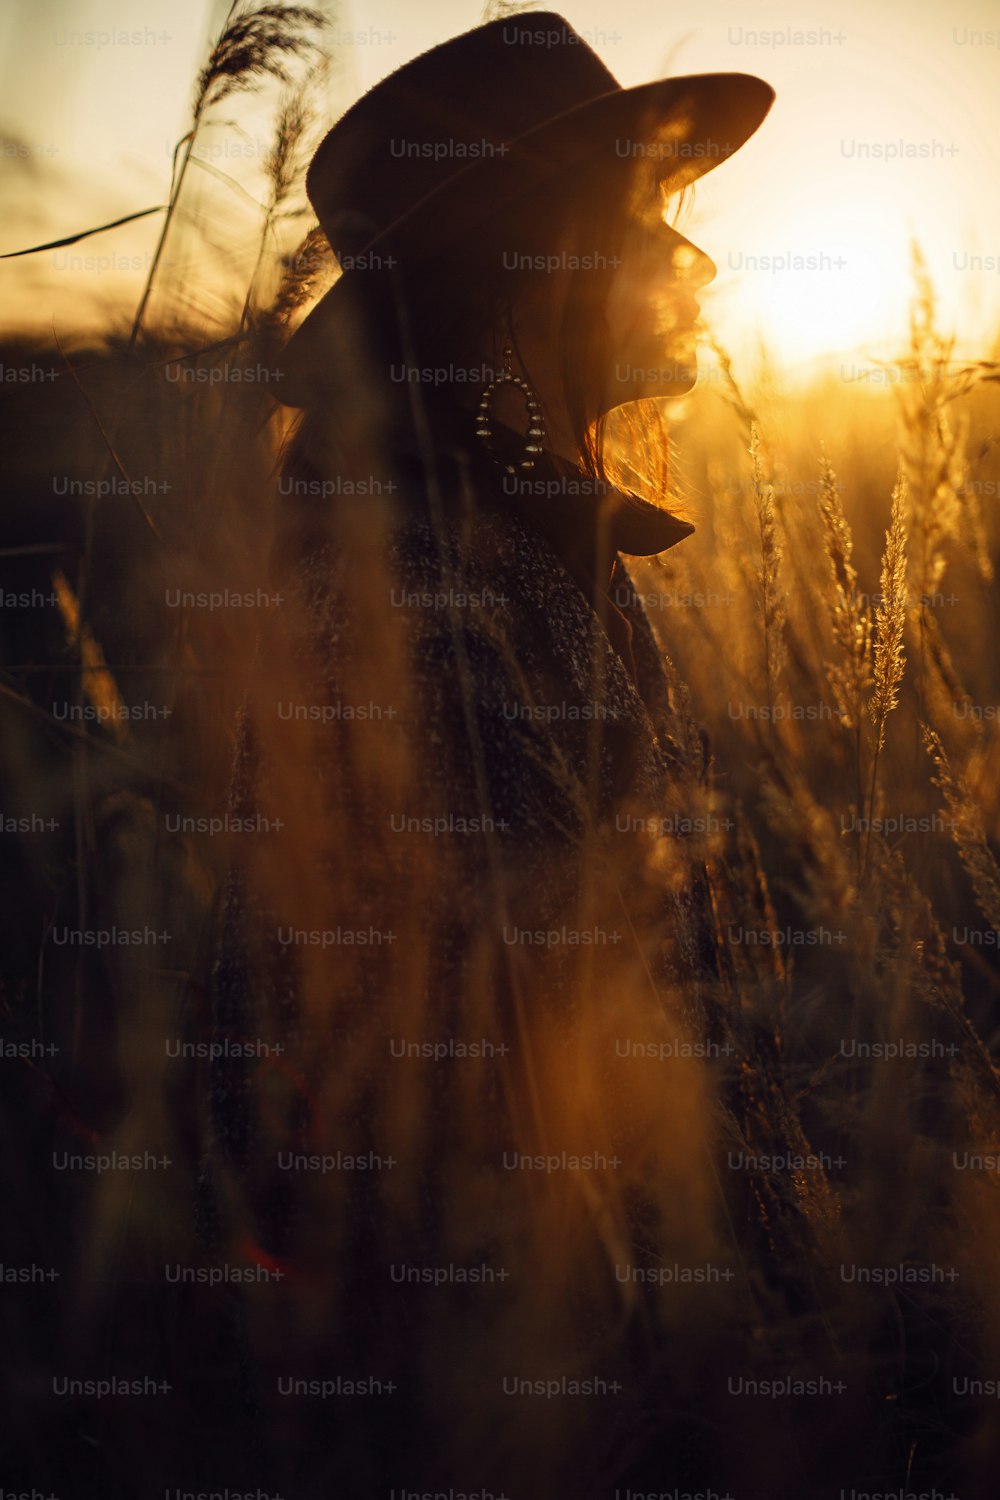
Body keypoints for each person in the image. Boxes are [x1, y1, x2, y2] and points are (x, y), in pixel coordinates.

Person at [207, 14, 785, 1496]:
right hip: (485, 1369)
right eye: (646, 221)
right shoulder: (415, 574)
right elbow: (491, 1053)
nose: (693, 264)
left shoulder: (507, 521)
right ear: (519, 273)